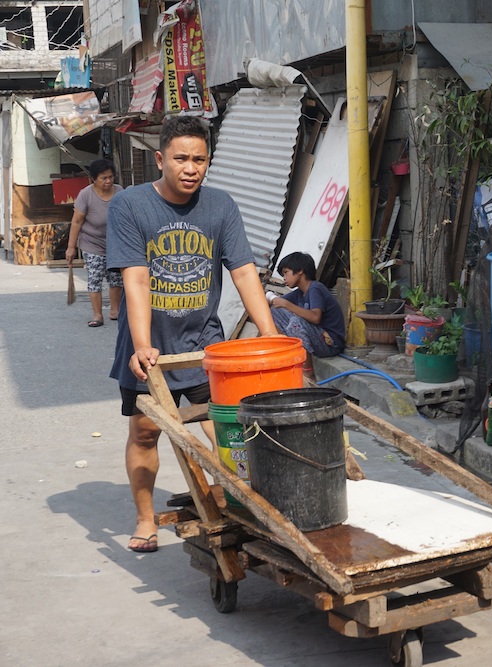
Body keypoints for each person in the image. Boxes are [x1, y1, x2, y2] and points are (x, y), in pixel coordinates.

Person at [106, 115, 280, 554]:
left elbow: (242, 270)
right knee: (145, 433)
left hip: (205, 345)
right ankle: (146, 518)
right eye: (181, 158)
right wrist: (144, 344)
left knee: (227, 429)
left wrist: (270, 331)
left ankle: (242, 500)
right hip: (149, 352)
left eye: (199, 159)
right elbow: (137, 279)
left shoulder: (221, 206)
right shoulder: (130, 206)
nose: (190, 167)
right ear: (161, 158)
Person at [66, 158, 125, 327]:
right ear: (94, 179)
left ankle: (115, 311)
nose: (108, 181)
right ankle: (98, 315)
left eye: (110, 177)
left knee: (116, 279)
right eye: (103, 178)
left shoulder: (120, 191)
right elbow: (76, 221)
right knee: (95, 278)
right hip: (91, 243)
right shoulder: (86, 194)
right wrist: (71, 247)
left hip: (114, 243)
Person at [269, 251, 346, 376]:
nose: (284, 278)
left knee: (296, 322)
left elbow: (315, 317)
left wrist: (287, 305)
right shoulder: (299, 292)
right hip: (318, 336)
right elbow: (278, 304)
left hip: (331, 343)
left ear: (299, 270)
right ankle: (286, 353)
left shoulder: (315, 288)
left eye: (286, 272)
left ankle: (308, 373)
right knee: (274, 311)